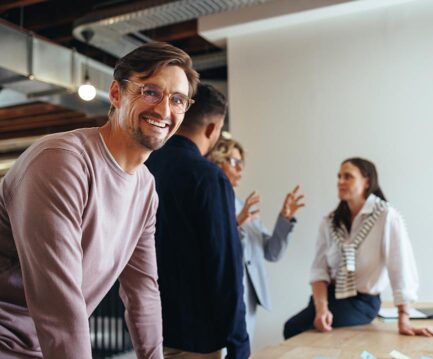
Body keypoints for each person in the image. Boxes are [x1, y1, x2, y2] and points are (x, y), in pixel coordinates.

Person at [0, 42, 199, 358]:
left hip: (42, 346)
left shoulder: (146, 188)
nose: (164, 110)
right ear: (117, 94)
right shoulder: (62, 161)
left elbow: (143, 291)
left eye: (177, 100)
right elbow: (59, 301)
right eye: (150, 91)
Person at [146, 84, 250, 359]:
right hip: (198, 335)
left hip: (150, 328)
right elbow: (225, 264)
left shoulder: (145, 168)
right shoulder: (209, 177)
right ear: (212, 128)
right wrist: (239, 341)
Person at [283, 157, 433, 339]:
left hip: (362, 302)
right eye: (339, 177)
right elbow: (319, 270)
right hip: (330, 297)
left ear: (367, 181)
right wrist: (321, 309)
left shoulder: (386, 217)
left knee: (298, 330)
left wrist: (404, 318)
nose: (340, 182)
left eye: (348, 177)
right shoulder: (330, 222)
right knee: (292, 328)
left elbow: (400, 266)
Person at [207, 138, 305, 341]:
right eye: (234, 162)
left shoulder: (245, 206)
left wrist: (285, 219)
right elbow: (211, 248)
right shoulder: (210, 203)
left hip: (249, 300)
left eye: (242, 162)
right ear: (216, 162)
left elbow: (271, 252)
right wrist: (236, 222)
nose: (240, 168)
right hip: (221, 298)